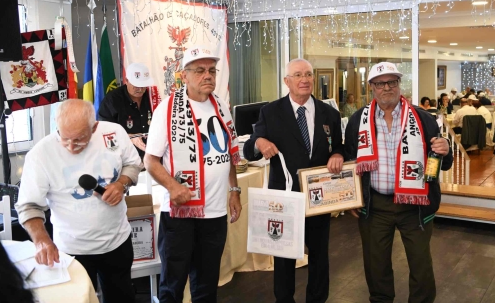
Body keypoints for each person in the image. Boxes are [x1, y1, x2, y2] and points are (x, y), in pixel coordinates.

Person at [343, 61, 452, 303]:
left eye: (392, 82)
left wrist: (446, 150)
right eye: (380, 84)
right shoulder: (358, 120)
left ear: (399, 84)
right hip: (375, 205)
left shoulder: (422, 118)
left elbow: (442, 161)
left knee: (420, 263)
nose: (386, 88)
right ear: (371, 87)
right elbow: (350, 159)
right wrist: (352, 197)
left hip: (415, 204)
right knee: (376, 264)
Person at [16, 99, 142, 302]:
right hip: (71, 250)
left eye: (79, 139)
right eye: (64, 138)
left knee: (122, 297)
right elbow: (29, 206)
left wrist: (121, 184)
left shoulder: (115, 133)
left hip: (117, 241)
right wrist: (41, 241)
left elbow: (133, 165)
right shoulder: (40, 154)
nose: (71, 146)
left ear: (94, 127)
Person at [144, 45, 242, 303]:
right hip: (180, 214)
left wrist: (234, 190)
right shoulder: (167, 109)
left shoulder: (221, 107)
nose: (207, 75)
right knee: (172, 285)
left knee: (207, 285)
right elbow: (150, 161)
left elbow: (229, 153)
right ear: (184, 76)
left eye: (212, 70)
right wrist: (173, 187)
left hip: (215, 213)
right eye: (199, 70)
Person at [243, 58, 343, 303]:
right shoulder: (270, 112)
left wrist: (339, 155)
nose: (304, 79)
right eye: (298, 75)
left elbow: (339, 147)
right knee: (284, 256)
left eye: (308, 74)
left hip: (318, 197)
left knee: (319, 255)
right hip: (284, 199)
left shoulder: (330, 113)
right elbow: (249, 150)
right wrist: (259, 142)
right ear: (286, 81)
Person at [98, 62, 155, 160]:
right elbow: (104, 131)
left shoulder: (152, 96)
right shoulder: (112, 100)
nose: (140, 89)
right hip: (124, 157)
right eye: (136, 85)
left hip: (153, 154)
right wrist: (130, 137)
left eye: (143, 85)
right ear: (127, 80)